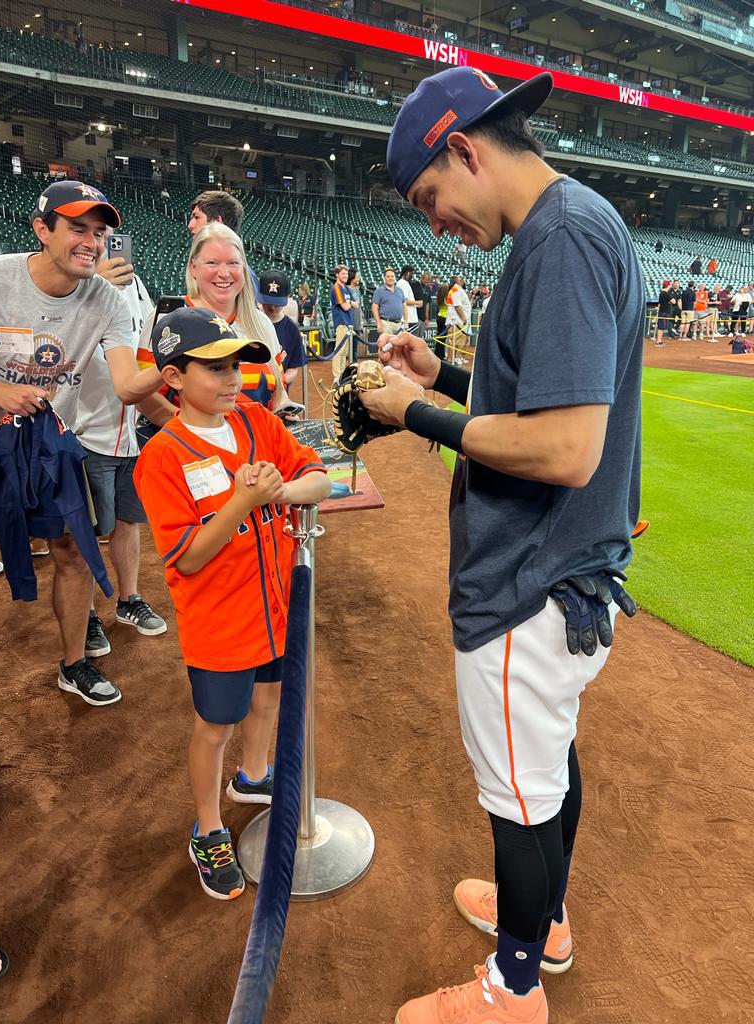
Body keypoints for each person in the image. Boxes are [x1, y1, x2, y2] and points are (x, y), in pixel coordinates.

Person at [363, 65, 643, 1024]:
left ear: (464, 149)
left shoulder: (559, 237)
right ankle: (547, 921)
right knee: (545, 767)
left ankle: (513, 988)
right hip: (565, 574)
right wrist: (444, 374)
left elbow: (564, 448)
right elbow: (540, 390)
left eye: (429, 198)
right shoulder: (568, 223)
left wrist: (415, 412)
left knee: (518, 799)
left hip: (530, 580)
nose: (436, 224)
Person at [134, 307, 330, 899]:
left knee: (268, 697)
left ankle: (253, 776)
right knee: (216, 724)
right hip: (219, 621)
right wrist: (245, 501)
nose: (232, 378)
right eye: (215, 368)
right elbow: (189, 557)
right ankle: (208, 828)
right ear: (173, 377)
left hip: (275, 606)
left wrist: (281, 490)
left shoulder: (255, 419)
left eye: (236, 366)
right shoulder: (161, 457)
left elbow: (319, 478)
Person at [0, 180, 163, 707]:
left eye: (100, 232)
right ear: (42, 230)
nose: (92, 242)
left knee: (75, 554)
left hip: (48, 449)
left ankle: (73, 664)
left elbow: (127, 384)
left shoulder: (107, 299)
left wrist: (178, 367)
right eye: (77, 229)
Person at [76, 227, 168, 658]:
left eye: (108, 234)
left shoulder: (134, 284)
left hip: (129, 430)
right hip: (86, 430)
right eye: (93, 234)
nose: (102, 243)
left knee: (128, 521)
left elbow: (147, 340)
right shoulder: (75, 287)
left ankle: (128, 599)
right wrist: (95, 288)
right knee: (85, 532)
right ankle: (86, 614)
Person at [138, 224, 285, 414]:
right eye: (212, 263)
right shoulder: (168, 320)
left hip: (260, 432)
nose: (224, 273)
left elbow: (279, 392)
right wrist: (194, 429)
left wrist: (284, 411)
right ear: (193, 267)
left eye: (233, 263)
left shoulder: (261, 322)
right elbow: (144, 397)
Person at [258, 269, 307, 388]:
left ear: (288, 296)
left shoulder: (291, 328)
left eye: (277, 303)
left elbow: (293, 368)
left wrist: (279, 382)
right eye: (267, 302)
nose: (272, 307)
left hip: (279, 391)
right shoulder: (250, 321)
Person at [330, 264, 356, 378]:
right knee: (339, 351)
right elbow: (345, 307)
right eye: (343, 273)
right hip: (341, 322)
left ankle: (341, 375)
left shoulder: (346, 288)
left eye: (346, 273)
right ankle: (337, 376)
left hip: (348, 323)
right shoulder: (336, 287)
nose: (345, 276)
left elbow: (356, 304)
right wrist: (350, 303)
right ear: (337, 275)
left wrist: (349, 302)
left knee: (344, 352)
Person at [371, 268, 406, 337]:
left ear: (395, 278)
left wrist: (406, 322)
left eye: (392, 276)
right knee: (386, 343)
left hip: (399, 324)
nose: (390, 278)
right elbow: (374, 307)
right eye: (388, 276)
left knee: (399, 344)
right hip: (386, 324)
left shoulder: (400, 290)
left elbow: (404, 306)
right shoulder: (379, 291)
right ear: (384, 278)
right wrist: (378, 323)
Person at [398, 265, 424, 335]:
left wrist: (415, 304)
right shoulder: (403, 283)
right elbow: (404, 301)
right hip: (408, 318)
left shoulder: (403, 283)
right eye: (412, 274)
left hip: (410, 317)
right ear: (408, 273)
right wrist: (417, 302)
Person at [347, 267, 366, 354]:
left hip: (356, 324)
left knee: (354, 350)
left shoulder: (357, 290)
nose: (359, 279)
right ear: (352, 278)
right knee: (346, 349)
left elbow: (359, 307)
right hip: (348, 324)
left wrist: (361, 322)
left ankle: (354, 362)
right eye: (357, 277)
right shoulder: (345, 289)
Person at [655, 279, 673, 347]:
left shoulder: (662, 293)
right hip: (664, 312)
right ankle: (659, 341)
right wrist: (670, 301)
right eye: (670, 285)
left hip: (663, 311)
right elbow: (674, 301)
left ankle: (659, 341)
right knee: (661, 327)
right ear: (667, 285)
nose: (670, 286)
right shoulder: (665, 293)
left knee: (661, 327)